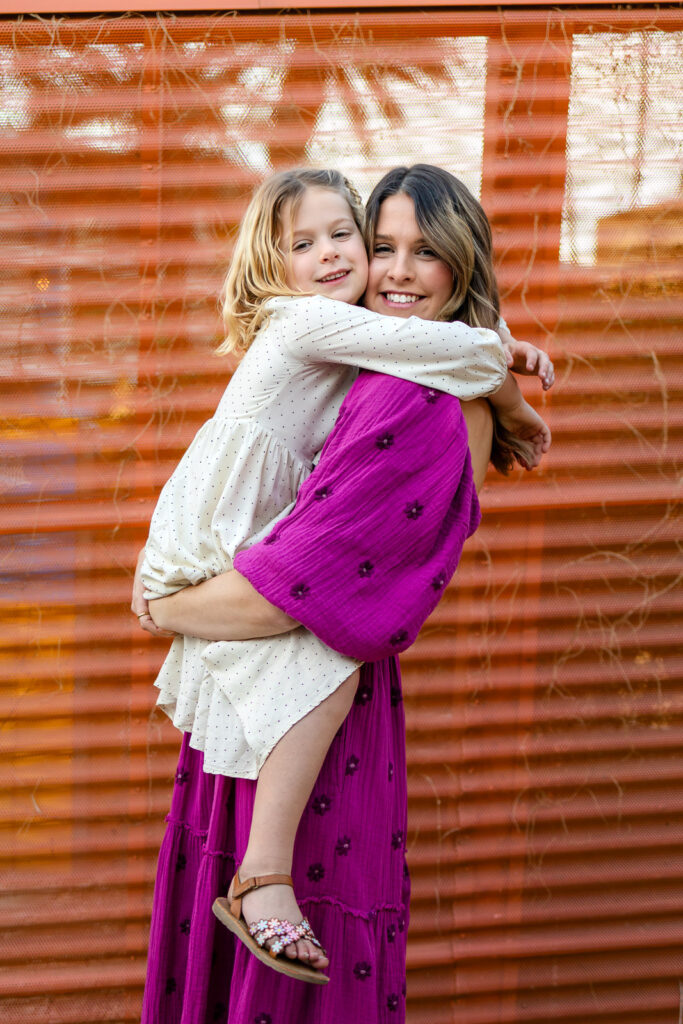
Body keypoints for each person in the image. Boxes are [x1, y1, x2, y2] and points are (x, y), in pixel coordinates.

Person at [135, 165, 552, 1020]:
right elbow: (458, 349)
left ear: (461, 265)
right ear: (271, 263)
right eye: (382, 245)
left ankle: (266, 873)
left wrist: (169, 610)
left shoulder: (415, 401)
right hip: (248, 624)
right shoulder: (331, 335)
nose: (387, 269)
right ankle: (265, 875)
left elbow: (310, 591)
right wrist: (514, 396)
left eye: (421, 252)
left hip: (285, 652)